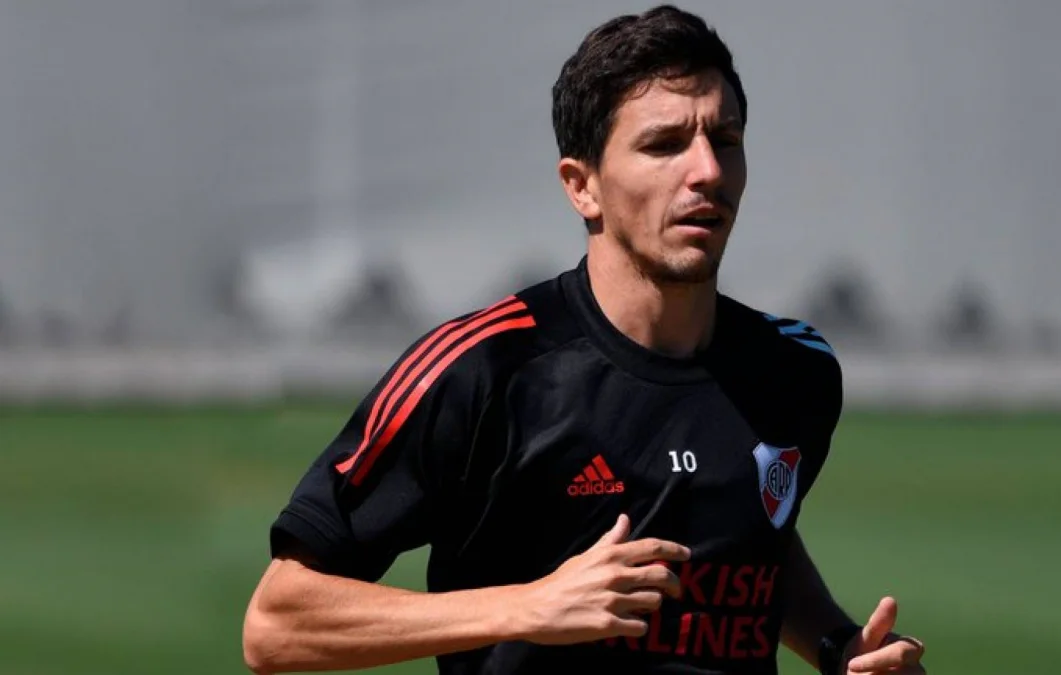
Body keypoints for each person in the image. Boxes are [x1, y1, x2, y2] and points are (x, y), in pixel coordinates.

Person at [242, 5, 926, 675]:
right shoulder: (486, 370)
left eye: (725, 139)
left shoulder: (795, 370)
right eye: (664, 145)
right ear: (582, 187)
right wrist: (526, 606)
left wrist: (838, 646)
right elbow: (278, 624)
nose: (708, 171)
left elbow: (753, 537)